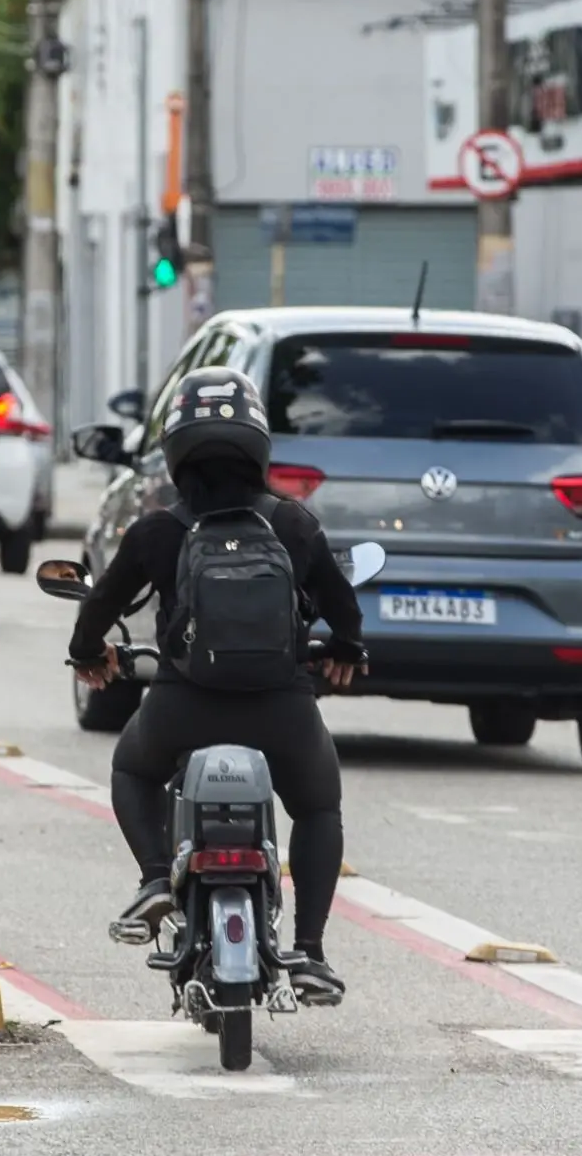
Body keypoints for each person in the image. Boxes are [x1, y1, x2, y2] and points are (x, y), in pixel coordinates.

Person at [67, 367, 366, 1002]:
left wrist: (90, 656)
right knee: (318, 807)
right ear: (258, 444)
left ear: (176, 452)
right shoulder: (294, 525)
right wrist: (344, 653)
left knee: (130, 768)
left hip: (184, 706)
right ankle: (309, 950)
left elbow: (97, 611)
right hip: (281, 711)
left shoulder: (155, 531)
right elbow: (346, 613)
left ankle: (154, 878)